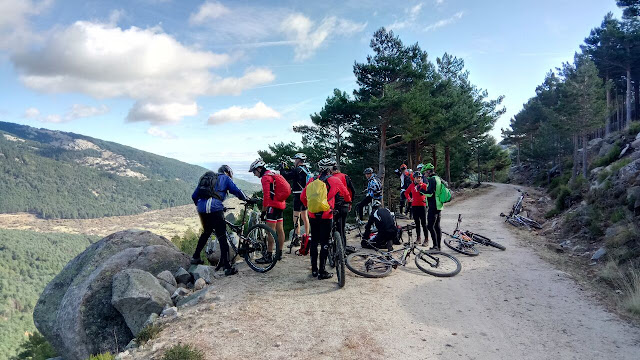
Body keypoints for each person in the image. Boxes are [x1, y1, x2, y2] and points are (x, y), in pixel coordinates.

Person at [191, 165, 249, 276]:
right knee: (222, 237)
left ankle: (195, 257)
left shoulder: (207, 179)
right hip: (215, 208)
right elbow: (237, 191)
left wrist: (201, 206)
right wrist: (246, 198)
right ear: (227, 172)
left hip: (202, 208)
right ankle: (227, 267)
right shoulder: (225, 178)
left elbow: (194, 196)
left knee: (206, 232)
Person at [300, 158, 349, 280]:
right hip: (327, 214)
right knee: (325, 242)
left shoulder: (312, 180)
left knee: (315, 241)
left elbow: (302, 196)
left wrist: (309, 206)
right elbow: (345, 194)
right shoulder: (334, 180)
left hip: (312, 214)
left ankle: (314, 270)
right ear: (330, 169)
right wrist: (348, 201)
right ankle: (322, 271)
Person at [249, 159, 288, 263]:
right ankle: (279, 253)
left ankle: (269, 256)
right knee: (280, 229)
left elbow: (266, 197)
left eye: (254, 171)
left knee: (269, 232)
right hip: (280, 204)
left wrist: (263, 211)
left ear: (259, 169)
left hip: (272, 206)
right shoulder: (273, 173)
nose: (254, 174)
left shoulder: (265, 178)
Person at [280, 153, 312, 244]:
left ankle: (296, 237)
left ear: (298, 160)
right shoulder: (306, 169)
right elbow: (292, 172)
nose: (294, 161)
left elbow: (286, 176)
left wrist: (282, 169)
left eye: (295, 160)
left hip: (298, 195)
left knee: (296, 217)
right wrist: (288, 168)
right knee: (305, 217)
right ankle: (307, 235)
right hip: (305, 195)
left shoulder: (297, 170)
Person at [330, 161, 355, 246]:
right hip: (345, 204)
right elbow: (352, 190)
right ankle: (343, 248)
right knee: (342, 227)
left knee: (332, 226)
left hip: (332, 205)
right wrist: (350, 202)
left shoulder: (328, 178)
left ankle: (333, 248)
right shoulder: (345, 176)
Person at [423, 163, 443, 250]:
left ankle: (435, 246)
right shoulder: (438, 178)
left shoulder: (431, 179)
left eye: (425, 173)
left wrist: (421, 191)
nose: (424, 175)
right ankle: (438, 246)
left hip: (433, 205)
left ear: (428, 172)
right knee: (437, 226)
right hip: (439, 205)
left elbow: (430, 193)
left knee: (430, 226)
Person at [405, 175, 429, 246]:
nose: (418, 179)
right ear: (414, 178)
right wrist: (409, 199)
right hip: (414, 206)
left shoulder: (424, 185)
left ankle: (426, 239)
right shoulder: (411, 185)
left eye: (420, 178)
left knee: (424, 223)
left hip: (422, 206)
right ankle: (418, 238)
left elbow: (429, 192)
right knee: (417, 223)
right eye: (417, 178)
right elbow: (406, 193)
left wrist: (426, 199)